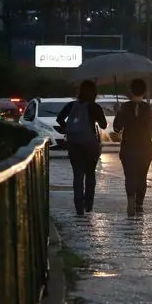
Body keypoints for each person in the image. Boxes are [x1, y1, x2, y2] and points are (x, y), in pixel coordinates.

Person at [113, 78, 152, 217]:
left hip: (128, 147)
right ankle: (139, 204)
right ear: (144, 92)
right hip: (145, 148)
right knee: (142, 176)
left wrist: (118, 113)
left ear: (131, 91)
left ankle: (131, 197)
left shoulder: (124, 108)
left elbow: (116, 127)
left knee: (129, 175)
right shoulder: (148, 109)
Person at [56, 80, 108, 216]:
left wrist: (67, 128)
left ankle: (78, 206)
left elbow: (59, 118)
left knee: (77, 175)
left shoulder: (72, 105)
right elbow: (103, 125)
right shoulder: (94, 107)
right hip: (90, 144)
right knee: (90, 173)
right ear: (94, 92)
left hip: (74, 144)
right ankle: (88, 204)